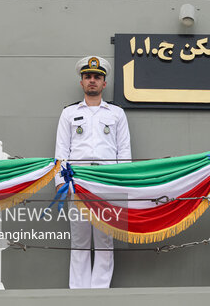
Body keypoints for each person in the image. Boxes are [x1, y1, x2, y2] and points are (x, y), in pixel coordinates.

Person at [55, 56, 132, 288]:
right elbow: (61, 150)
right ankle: (78, 293)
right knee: (79, 239)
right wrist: (60, 181)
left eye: (97, 77)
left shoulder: (116, 113)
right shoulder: (69, 113)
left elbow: (124, 150)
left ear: (104, 83)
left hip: (106, 179)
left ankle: (100, 292)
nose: (92, 81)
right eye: (88, 77)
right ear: (81, 82)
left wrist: (122, 182)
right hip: (78, 179)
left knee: (104, 238)